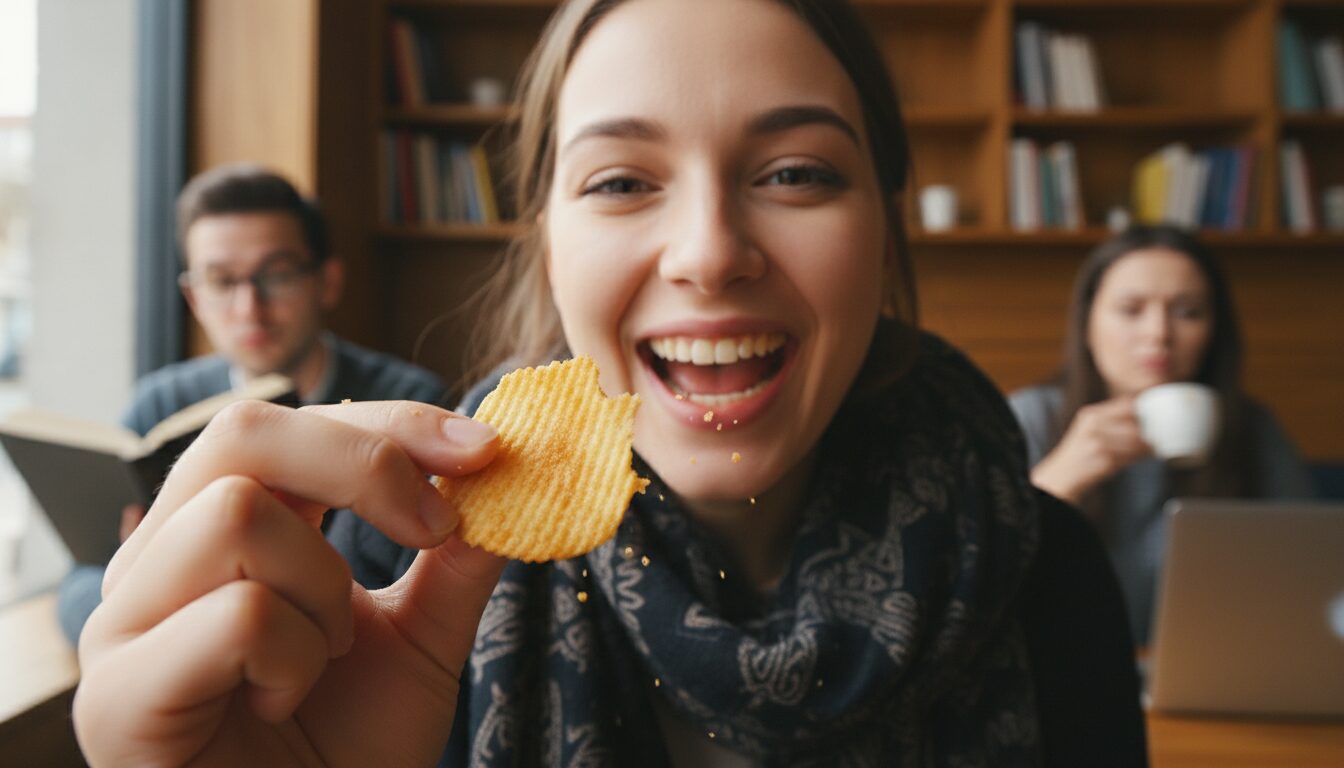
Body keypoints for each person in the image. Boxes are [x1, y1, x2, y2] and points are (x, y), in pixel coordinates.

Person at [72, 1, 1146, 765]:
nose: (710, 252)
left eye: (797, 173)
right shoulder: (368, 590)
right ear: (548, 245)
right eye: (622, 181)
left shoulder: (1046, 579)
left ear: (884, 228)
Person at [55, 164, 449, 644]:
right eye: (221, 281)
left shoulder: (415, 407)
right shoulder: (159, 404)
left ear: (326, 281)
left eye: (277, 274)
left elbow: (416, 589)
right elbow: (80, 581)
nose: (249, 308)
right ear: (194, 298)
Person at [1009, 224, 1314, 644]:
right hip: (1059, 678)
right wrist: (1056, 481)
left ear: (1213, 333)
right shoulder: (1031, 418)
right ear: (1087, 325)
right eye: (1131, 309)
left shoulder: (1252, 429)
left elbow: (1308, 575)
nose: (1159, 334)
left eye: (1187, 312)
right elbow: (981, 584)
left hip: (1212, 675)